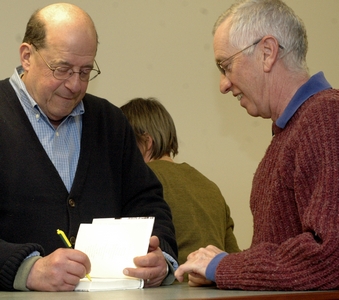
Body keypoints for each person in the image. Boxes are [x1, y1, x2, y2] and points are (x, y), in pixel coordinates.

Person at [0, 3, 178, 292]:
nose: (74, 85)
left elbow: (148, 203)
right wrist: (25, 269)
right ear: (27, 56)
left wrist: (161, 258)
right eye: (62, 69)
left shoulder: (109, 122)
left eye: (85, 71)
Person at [175, 0, 339, 291]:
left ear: (267, 52)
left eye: (226, 66)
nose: (223, 84)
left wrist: (223, 266)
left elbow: (329, 254)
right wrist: (219, 269)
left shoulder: (326, 117)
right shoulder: (294, 130)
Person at [120, 97, 241, 281]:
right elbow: (232, 257)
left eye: (124, 145)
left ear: (147, 142)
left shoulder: (140, 184)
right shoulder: (209, 186)